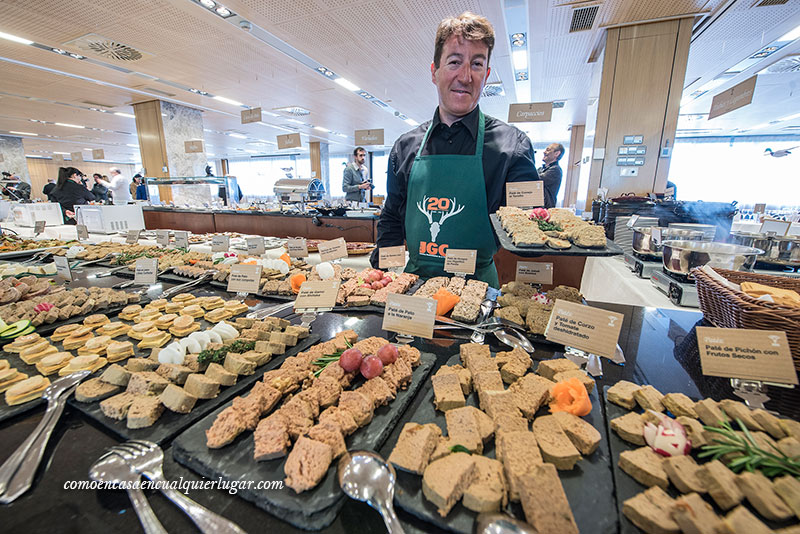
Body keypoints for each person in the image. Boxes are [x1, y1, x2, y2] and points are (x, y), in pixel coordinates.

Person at [372, 12, 539, 286]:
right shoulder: (405, 147)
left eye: (476, 64)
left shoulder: (513, 146)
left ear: (486, 75)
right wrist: (385, 274)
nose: (465, 76)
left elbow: (526, 227)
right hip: (413, 291)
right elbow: (391, 216)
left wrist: (538, 225)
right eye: (454, 62)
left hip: (477, 291)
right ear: (434, 72)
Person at [539, 143, 564, 208]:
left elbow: (537, 179)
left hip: (545, 209)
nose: (544, 152)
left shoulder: (555, 170)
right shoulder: (541, 169)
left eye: (548, 150)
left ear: (557, 153)